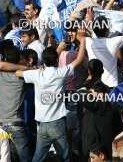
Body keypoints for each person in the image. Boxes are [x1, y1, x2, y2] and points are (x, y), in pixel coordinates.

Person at [16, 27, 87, 161]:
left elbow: (18, 72)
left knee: (38, 158)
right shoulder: (60, 73)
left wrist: (36, 67)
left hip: (42, 124)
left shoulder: (36, 74)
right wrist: (82, 40)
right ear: (57, 61)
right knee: (65, 157)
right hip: (57, 122)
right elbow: (79, 59)